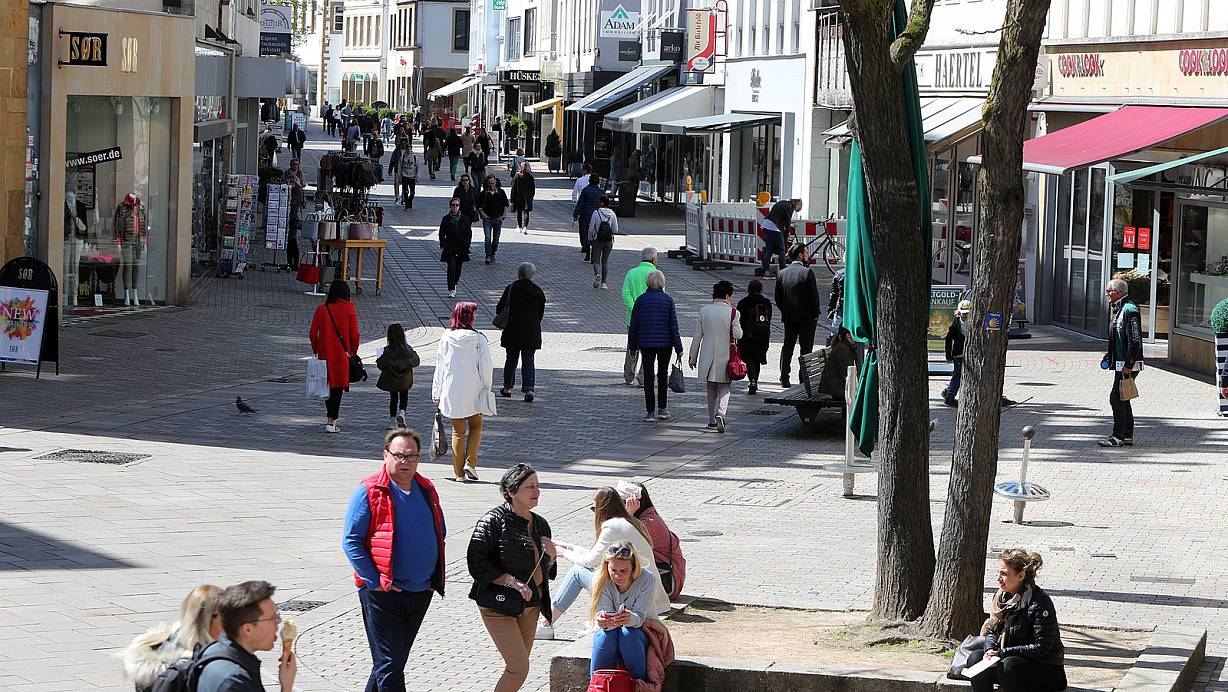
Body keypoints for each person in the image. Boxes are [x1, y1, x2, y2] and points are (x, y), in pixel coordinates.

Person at [343, 429, 446, 692]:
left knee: (391, 663)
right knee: (390, 663)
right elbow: (351, 541)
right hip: (383, 593)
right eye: (399, 455)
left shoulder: (426, 488)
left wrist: (433, 577)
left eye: (411, 456)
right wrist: (374, 581)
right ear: (385, 455)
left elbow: (439, 531)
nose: (405, 462)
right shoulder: (370, 490)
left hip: (420, 591)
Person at [467, 464, 557, 692]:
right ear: (511, 491)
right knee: (519, 667)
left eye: (537, 486)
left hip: (530, 605)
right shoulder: (493, 521)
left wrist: (552, 557)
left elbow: (544, 568)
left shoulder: (541, 524)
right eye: (530, 487)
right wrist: (509, 581)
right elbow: (477, 562)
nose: (536, 491)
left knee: (517, 667)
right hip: (498, 605)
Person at [537, 487, 669, 640]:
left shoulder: (612, 526)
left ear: (602, 508)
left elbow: (591, 561)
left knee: (576, 572)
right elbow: (596, 556)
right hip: (642, 586)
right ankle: (554, 621)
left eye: (594, 508)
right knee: (590, 571)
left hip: (636, 588)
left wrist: (562, 552)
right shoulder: (629, 521)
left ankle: (546, 622)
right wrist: (566, 546)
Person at [965, 549, 1066, 692]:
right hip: (1009, 661)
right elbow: (992, 630)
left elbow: (1042, 648)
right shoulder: (1001, 598)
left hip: (1046, 669)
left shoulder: (1039, 603)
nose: (998, 578)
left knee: (1008, 665)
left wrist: (1002, 653)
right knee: (975, 658)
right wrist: (990, 650)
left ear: (1020, 576)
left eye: (1004, 574)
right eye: (999, 573)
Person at [193, 580, 296, 692]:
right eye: (272, 618)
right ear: (247, 629)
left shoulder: (213, 650)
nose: (278, 622)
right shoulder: (235, 681)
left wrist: (286, 684)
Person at [118, 585, 222, 692]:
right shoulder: (188, 665)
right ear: (209, 618)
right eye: (225, 614)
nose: (229, 620)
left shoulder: (169, 640)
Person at [433, 301, 494, 482]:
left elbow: (440, 366)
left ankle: (458, 474)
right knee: (476, 426)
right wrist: (487, 387)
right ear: (469, 317)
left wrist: (437, 392)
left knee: (457, 431)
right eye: (474, 314)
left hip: (451, 389)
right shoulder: (479, 339)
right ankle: (470, 463)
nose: (476, 317)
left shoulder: (446, 337)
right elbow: (486, 366)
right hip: (474, 388)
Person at [587, 541, 662, 681]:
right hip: (611, 635)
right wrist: (603, 620)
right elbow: (602, 612)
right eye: (613, 570)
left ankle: (638, 685)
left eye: (623, 571)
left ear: (633, 568)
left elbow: (640, 617)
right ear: (606, 565)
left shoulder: (647, 579)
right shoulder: (600, 578)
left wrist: (629, 618)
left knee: (627, 634)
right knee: (605, 636)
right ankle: (596, 684)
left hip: (641, 632)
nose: (617, 576)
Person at [628, 270, 684, 422]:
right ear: (662, 283)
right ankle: (662, 409)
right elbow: (673, 326)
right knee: (662, 374)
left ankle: (650, 411)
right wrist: (679, 348)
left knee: (648, 375)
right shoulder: (668, 300)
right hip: (665, 344)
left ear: (648, 282)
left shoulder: (640, 300)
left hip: (646, 344)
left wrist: (632, 347)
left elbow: (634, 326)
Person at [689, 281, 743, 433]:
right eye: (731, 296)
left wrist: (693, 357)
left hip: (708, 357)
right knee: (725, 387)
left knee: (711, 389)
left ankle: (712, 420)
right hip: (726, 357)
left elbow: (697, 337)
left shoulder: (704, 311)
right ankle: (721, 413)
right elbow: (738, 334)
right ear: (727, 295)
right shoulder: (733, 313)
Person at [309, 280, 360, 433]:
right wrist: (353, 351)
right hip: (341, 355)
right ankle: (331, 421)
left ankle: (330, 419)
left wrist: (316, 349)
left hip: (325, 353)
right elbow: (355, 334)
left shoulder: (322, 309)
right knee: (337, 387)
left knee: (326, 386)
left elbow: (313, 333)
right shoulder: (349, 308)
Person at [1100, 278, 1143, 447]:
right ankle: (1127, 435)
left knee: (1116, 398)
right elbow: (1117, 338)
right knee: (1123, 397)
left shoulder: (1130, 309)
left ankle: (1118, 437)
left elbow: (1135, 340)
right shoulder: (1120, 308)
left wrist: (1129, 365)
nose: (1107, 295)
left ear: (1117, 292)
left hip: (1127, 364)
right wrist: (1109, 356)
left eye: (1109, 292)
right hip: (1120, 362)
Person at [496, 263, 546, 402]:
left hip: (513, 329)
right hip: (531, 331)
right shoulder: (537, 291)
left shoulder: (511, 288)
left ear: (519, 274)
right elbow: (540, 313)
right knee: (528, 360)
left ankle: (507, 388)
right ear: (532, 275)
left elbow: (500, 308)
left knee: (511, 359)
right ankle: (529, 390)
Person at [774, 244, 820, 388]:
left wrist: (785, 310)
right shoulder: (807, 273)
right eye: (806, 252)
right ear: (800, 255)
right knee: (806, 349)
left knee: (788, 347)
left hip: (789, 318)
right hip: (807, 318)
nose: (808, 255)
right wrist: (815, 314)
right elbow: (814, 297)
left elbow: (778, 298)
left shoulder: (782, 273)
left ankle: (784, 376)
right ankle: (803, 378)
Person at [631, 484, 685, 600]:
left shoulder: (648, 522)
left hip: (667, 582)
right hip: (663, 577)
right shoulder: (648, 516)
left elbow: (624, 542)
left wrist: (628, 514)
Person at [621, 248, 659, 387]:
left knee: (632, 346)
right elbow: (660, 296)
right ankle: (644, 377)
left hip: (632, 318)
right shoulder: (656, 274)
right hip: (651, 319)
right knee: (649, 349)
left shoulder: (631, 273)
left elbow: (625, 294)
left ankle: (629, 375)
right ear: (654, 259)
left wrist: (634, 309)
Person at [376, 324, 420, 429]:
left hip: (392, 379)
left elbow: (381, 364)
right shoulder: (408, 349)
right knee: (404, 396)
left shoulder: (387, 351)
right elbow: (416, 361)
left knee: (393, 399)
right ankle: (402, 413)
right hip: (405, 379)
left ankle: (392, 421)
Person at [736, 279, 773, 395]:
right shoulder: (766, 302)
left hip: (747, 337)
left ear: (749, 289)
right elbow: (769, 319)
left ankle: (752, 381)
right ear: (761, 289)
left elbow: (739, 320)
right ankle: (755, 380)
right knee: (757, 359)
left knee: (749, 359)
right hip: (763, 336)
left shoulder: (743, 303)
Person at [439, 198, 473, 299]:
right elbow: (441, 233)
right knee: (451, 267)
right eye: (453, 205)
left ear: (459, 207)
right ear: (450, 206)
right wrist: (443, 244)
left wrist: (467, 244)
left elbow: (468, 233)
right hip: (450, 247)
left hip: (461, 247)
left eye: (457, 205)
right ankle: (451, 289)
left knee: (458, 269)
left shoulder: (465, 218)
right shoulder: (446, 219)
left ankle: (455, 282)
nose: (455, 207)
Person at [761, 198, 801, 276]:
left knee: (769, 249)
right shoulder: (789, 208)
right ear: (796, 205)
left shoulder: (782, 202)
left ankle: (766, 271)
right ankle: (783, 271)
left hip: (766, 225)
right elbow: (787, 221)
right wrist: (787, 231)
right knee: (782, 250)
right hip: (775, 228)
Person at [943, 300, 971, 407]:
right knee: (958, 374)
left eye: (967, 313)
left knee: (960, 374)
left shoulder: (974, 322)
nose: (965, 316)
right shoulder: (955, 324)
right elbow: (948, 340)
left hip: (969, 354)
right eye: (963, 313)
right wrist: (948, 355)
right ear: (959, 312)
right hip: (958, 354)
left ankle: (948, 391)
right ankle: (950, 396)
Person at [478, 174, 510, 265]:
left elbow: (506, 204)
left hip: (497, 219)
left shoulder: (500, 192)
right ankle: (488, 255)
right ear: (487, 183)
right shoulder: (484, 193)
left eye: (493, 183)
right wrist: (483, 214)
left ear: (495, 182)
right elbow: (479, 206)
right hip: (487, 220)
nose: (491, 185)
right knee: (487, 238)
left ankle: (493, 254)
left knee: (496, 238)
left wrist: (504, 215)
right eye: (489, 183)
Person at [817, 327, 857, 400]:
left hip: (836, 385)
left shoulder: (844, 345)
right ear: (848, 335)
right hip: (836, 388)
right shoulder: (842, 349)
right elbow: (845, 373)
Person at [573, 174, 604, 261]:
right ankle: (593, 251)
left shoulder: (585, 190)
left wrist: (576, 214)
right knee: (595, 234)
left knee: (585, 233)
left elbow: (580, 203)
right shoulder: (601, 192)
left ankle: (587, 250)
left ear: (589, 181)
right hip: (597, 215)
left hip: (586, 215)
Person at [285, 159, 306, 271]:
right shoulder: (295, 190)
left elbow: (294, 204)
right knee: (290, 241)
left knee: (292, 240)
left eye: (289, 183)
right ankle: (290, 263)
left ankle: (295, 263)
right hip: (291, 217)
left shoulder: (297, 191)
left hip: (293, 218)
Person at [388, 140, 420, 210]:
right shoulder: (402, 158)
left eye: (410, 149)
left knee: (412, 193)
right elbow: (399, 167)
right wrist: (399, 176)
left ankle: (409, 201)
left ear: (412, 150)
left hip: (412, 177)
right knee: (405, 191)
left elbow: (418, 167)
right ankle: (406, 204)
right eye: (407, 149)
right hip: (405, 176)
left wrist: (417, 176)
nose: (408, 151)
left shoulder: (415, 158)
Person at [511, 162, 535, 235]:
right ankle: (525, 228)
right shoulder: (530, 176)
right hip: (527, 197)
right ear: (527, 167)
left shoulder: (517, 176)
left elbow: (513, 188)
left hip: (518, 197)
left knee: (519, 212)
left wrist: (512, 198)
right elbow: (533, 188)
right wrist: (531, 196)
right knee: (526, 212)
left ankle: (519, 227)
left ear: (520, 167)